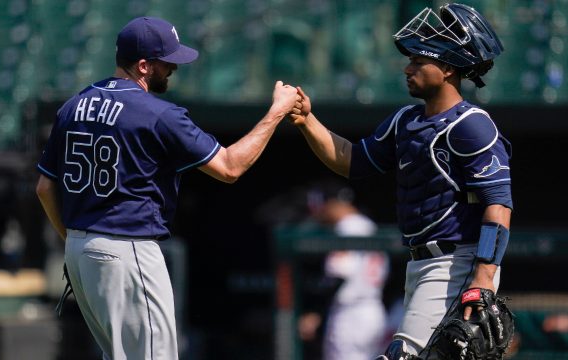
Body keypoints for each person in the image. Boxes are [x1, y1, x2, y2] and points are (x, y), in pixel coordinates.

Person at [34, 16, 299, 360]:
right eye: (166, 62)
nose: (173, 68)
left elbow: (44, 187)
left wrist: (74, 240)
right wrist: (276, 111)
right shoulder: (158, 114)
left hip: (81, 250)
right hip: (127, 249)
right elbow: (230, 167)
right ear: (143, 66)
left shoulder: (74, 106)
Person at [289, 3, 512, 359]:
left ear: (448, 68)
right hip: (420, 264)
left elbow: (498, 206)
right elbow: (351, 161)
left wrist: (483, 279)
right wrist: (307, 120)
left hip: (457, 262)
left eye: (418, 62)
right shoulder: (405, 120)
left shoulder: (471, 124)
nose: (407, 69)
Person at [298, 179, 389, 360]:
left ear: (333, 203)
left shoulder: (347, 227)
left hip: (351, 314)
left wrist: (317, 312)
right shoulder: (368, 225)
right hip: (373, 309)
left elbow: (339, 274)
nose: (320, 213)